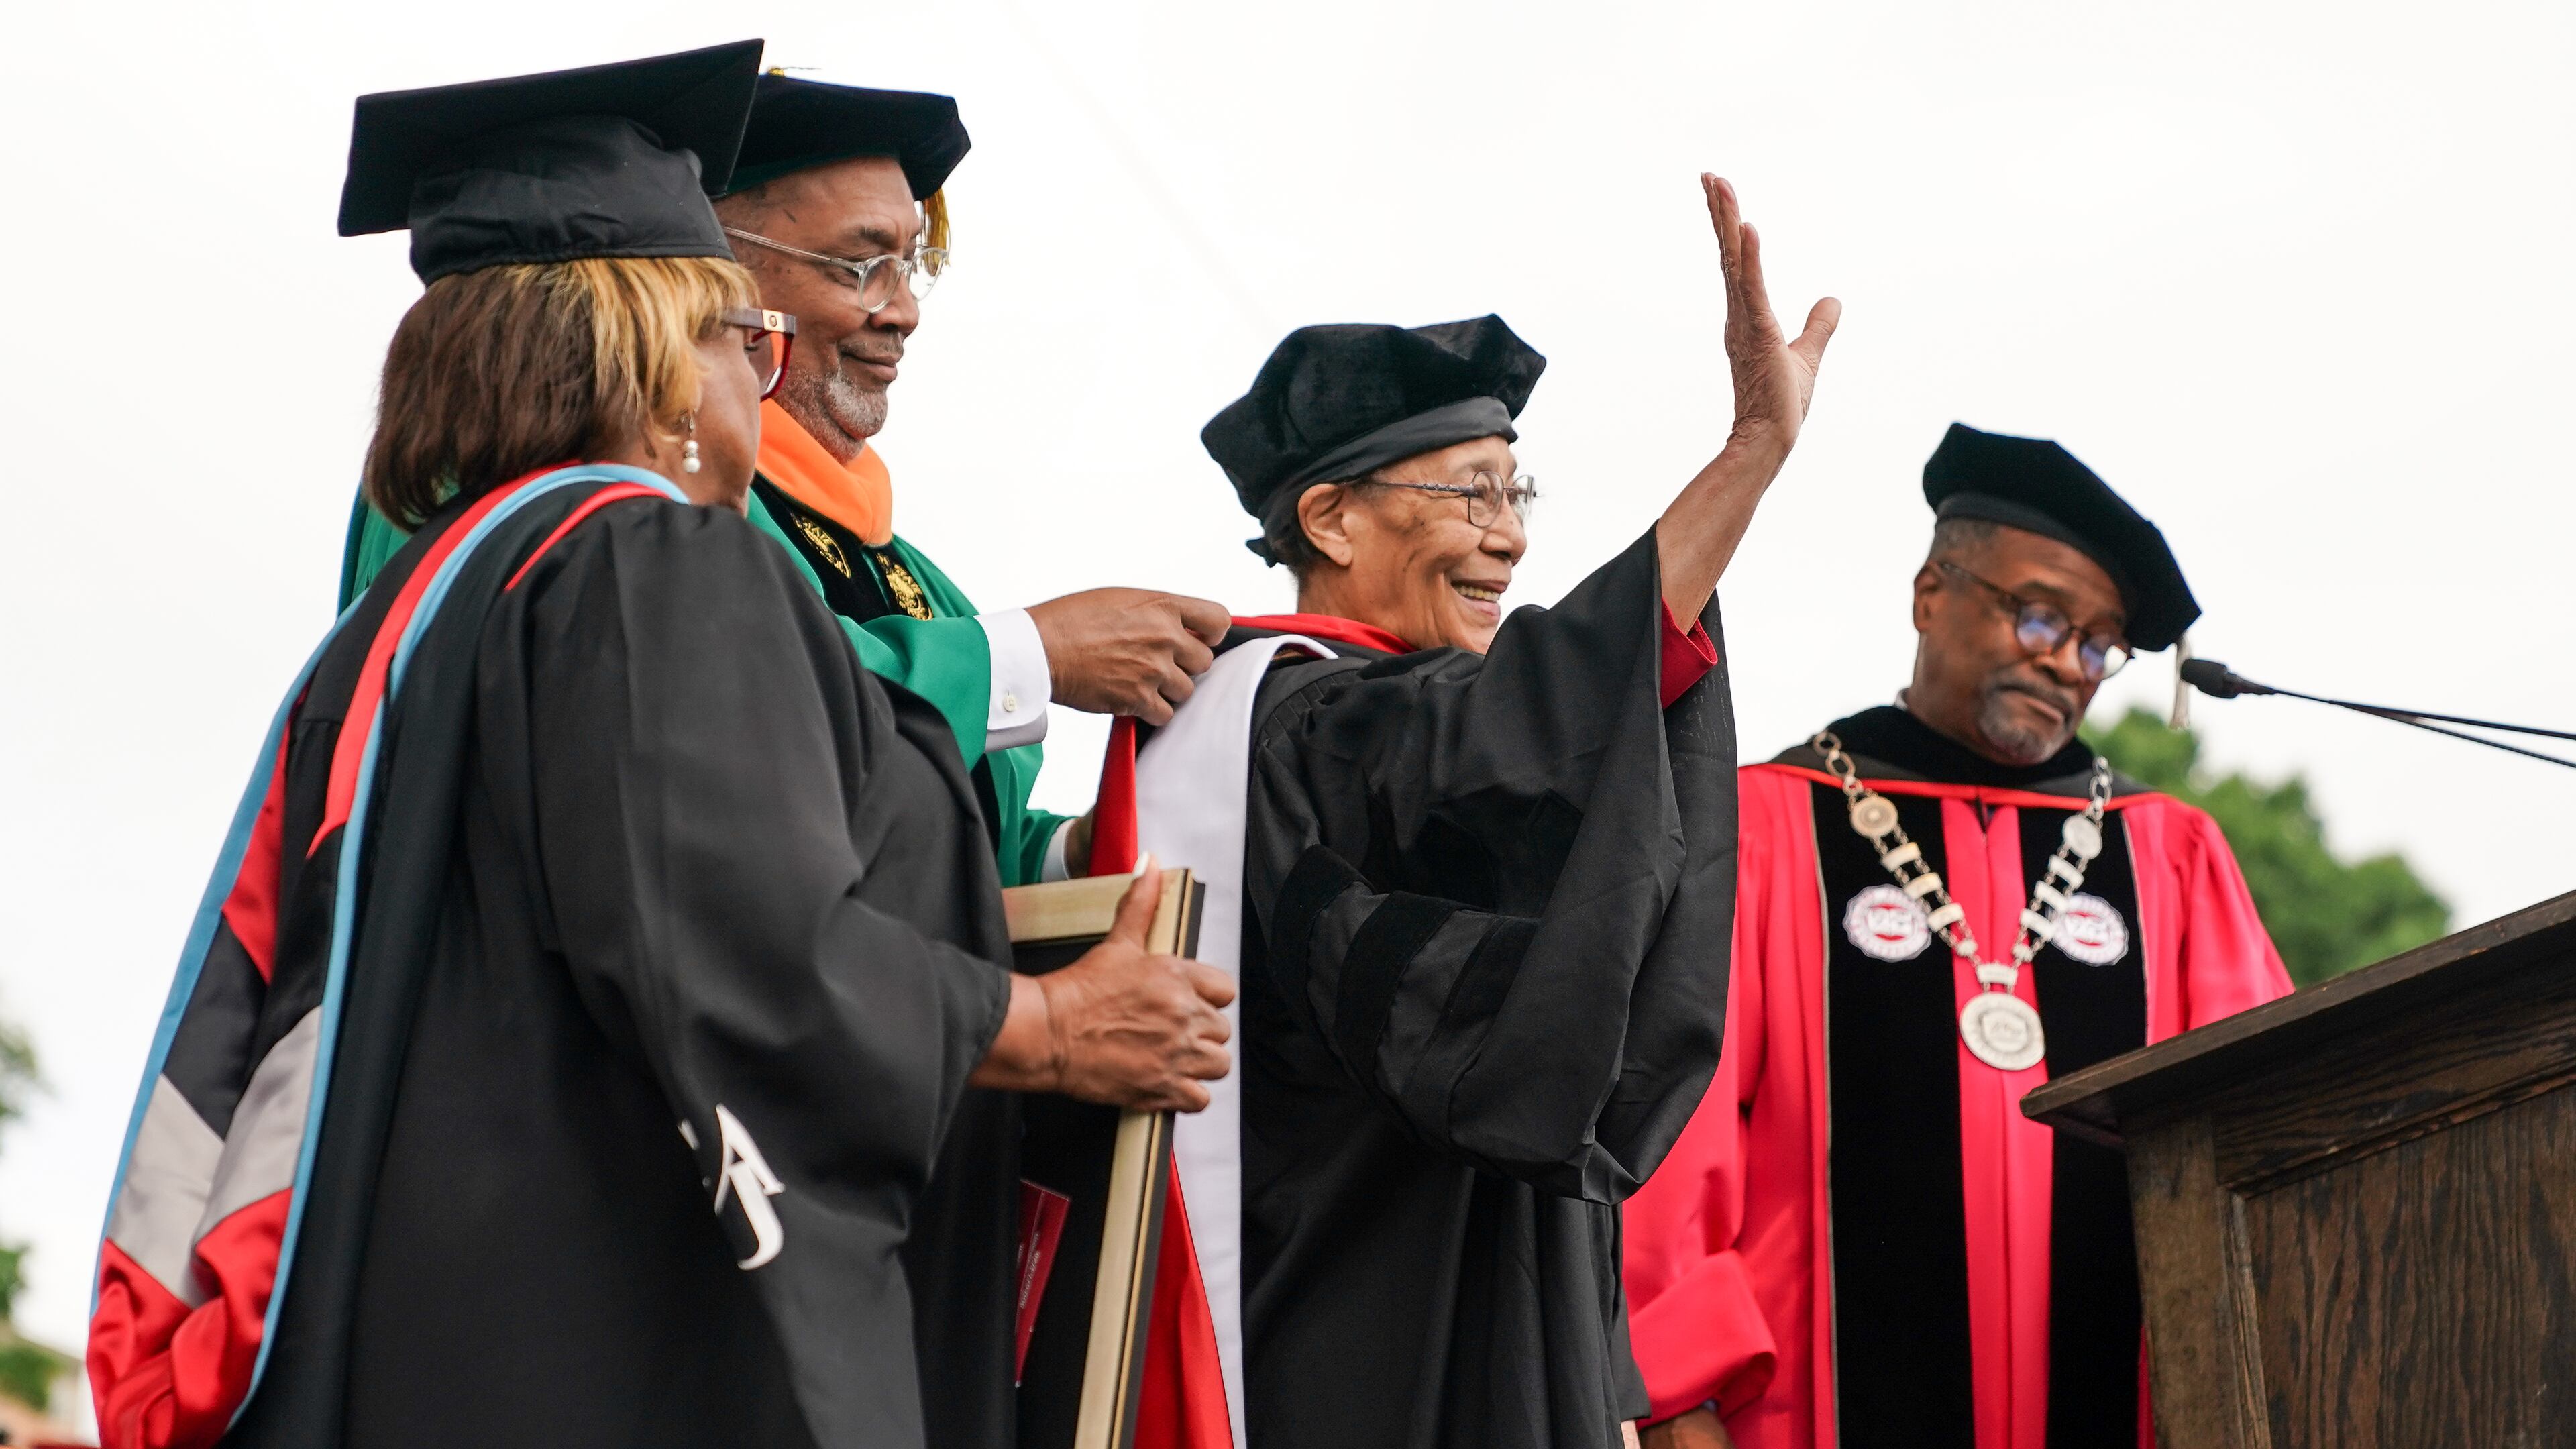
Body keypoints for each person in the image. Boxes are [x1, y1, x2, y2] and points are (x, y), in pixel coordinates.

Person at [87, 46, 1230, 1449]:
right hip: (607, 1318)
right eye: (741, 339)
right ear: (648, 353)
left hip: (437, 1304)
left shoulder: (420, 608)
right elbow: (749, 944)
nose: (760, 381)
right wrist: (1052, 1029)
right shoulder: (647, 566)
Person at [1076, 175, 1837, 1449]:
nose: (1512, 542)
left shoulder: (1274, 725)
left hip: (1447, 1280)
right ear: (1329, 515)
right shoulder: (1298, 721)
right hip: (1358, 1318)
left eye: (1517, 497)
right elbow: (1508, 736)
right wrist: (1748, 460)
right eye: (1470, 496)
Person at [338, 70, 1229, 885]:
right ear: (701, 265)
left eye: (911, 265)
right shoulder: (528, 467)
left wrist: (1085, 855)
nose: (905, 309)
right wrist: (1032, 655)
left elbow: (926, 847)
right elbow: (734, 726)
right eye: (861, 264)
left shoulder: (918, 584)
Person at [1621, 424, 2294, 1449]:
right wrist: (1678, 1399)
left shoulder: (2170, 856)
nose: (2067, 663)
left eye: (2099, 644)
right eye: (2040, 617)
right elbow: (1681, 1137)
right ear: (1931, 593)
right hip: (1811, 1419)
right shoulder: (1770, 824)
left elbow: (2266, 1133)